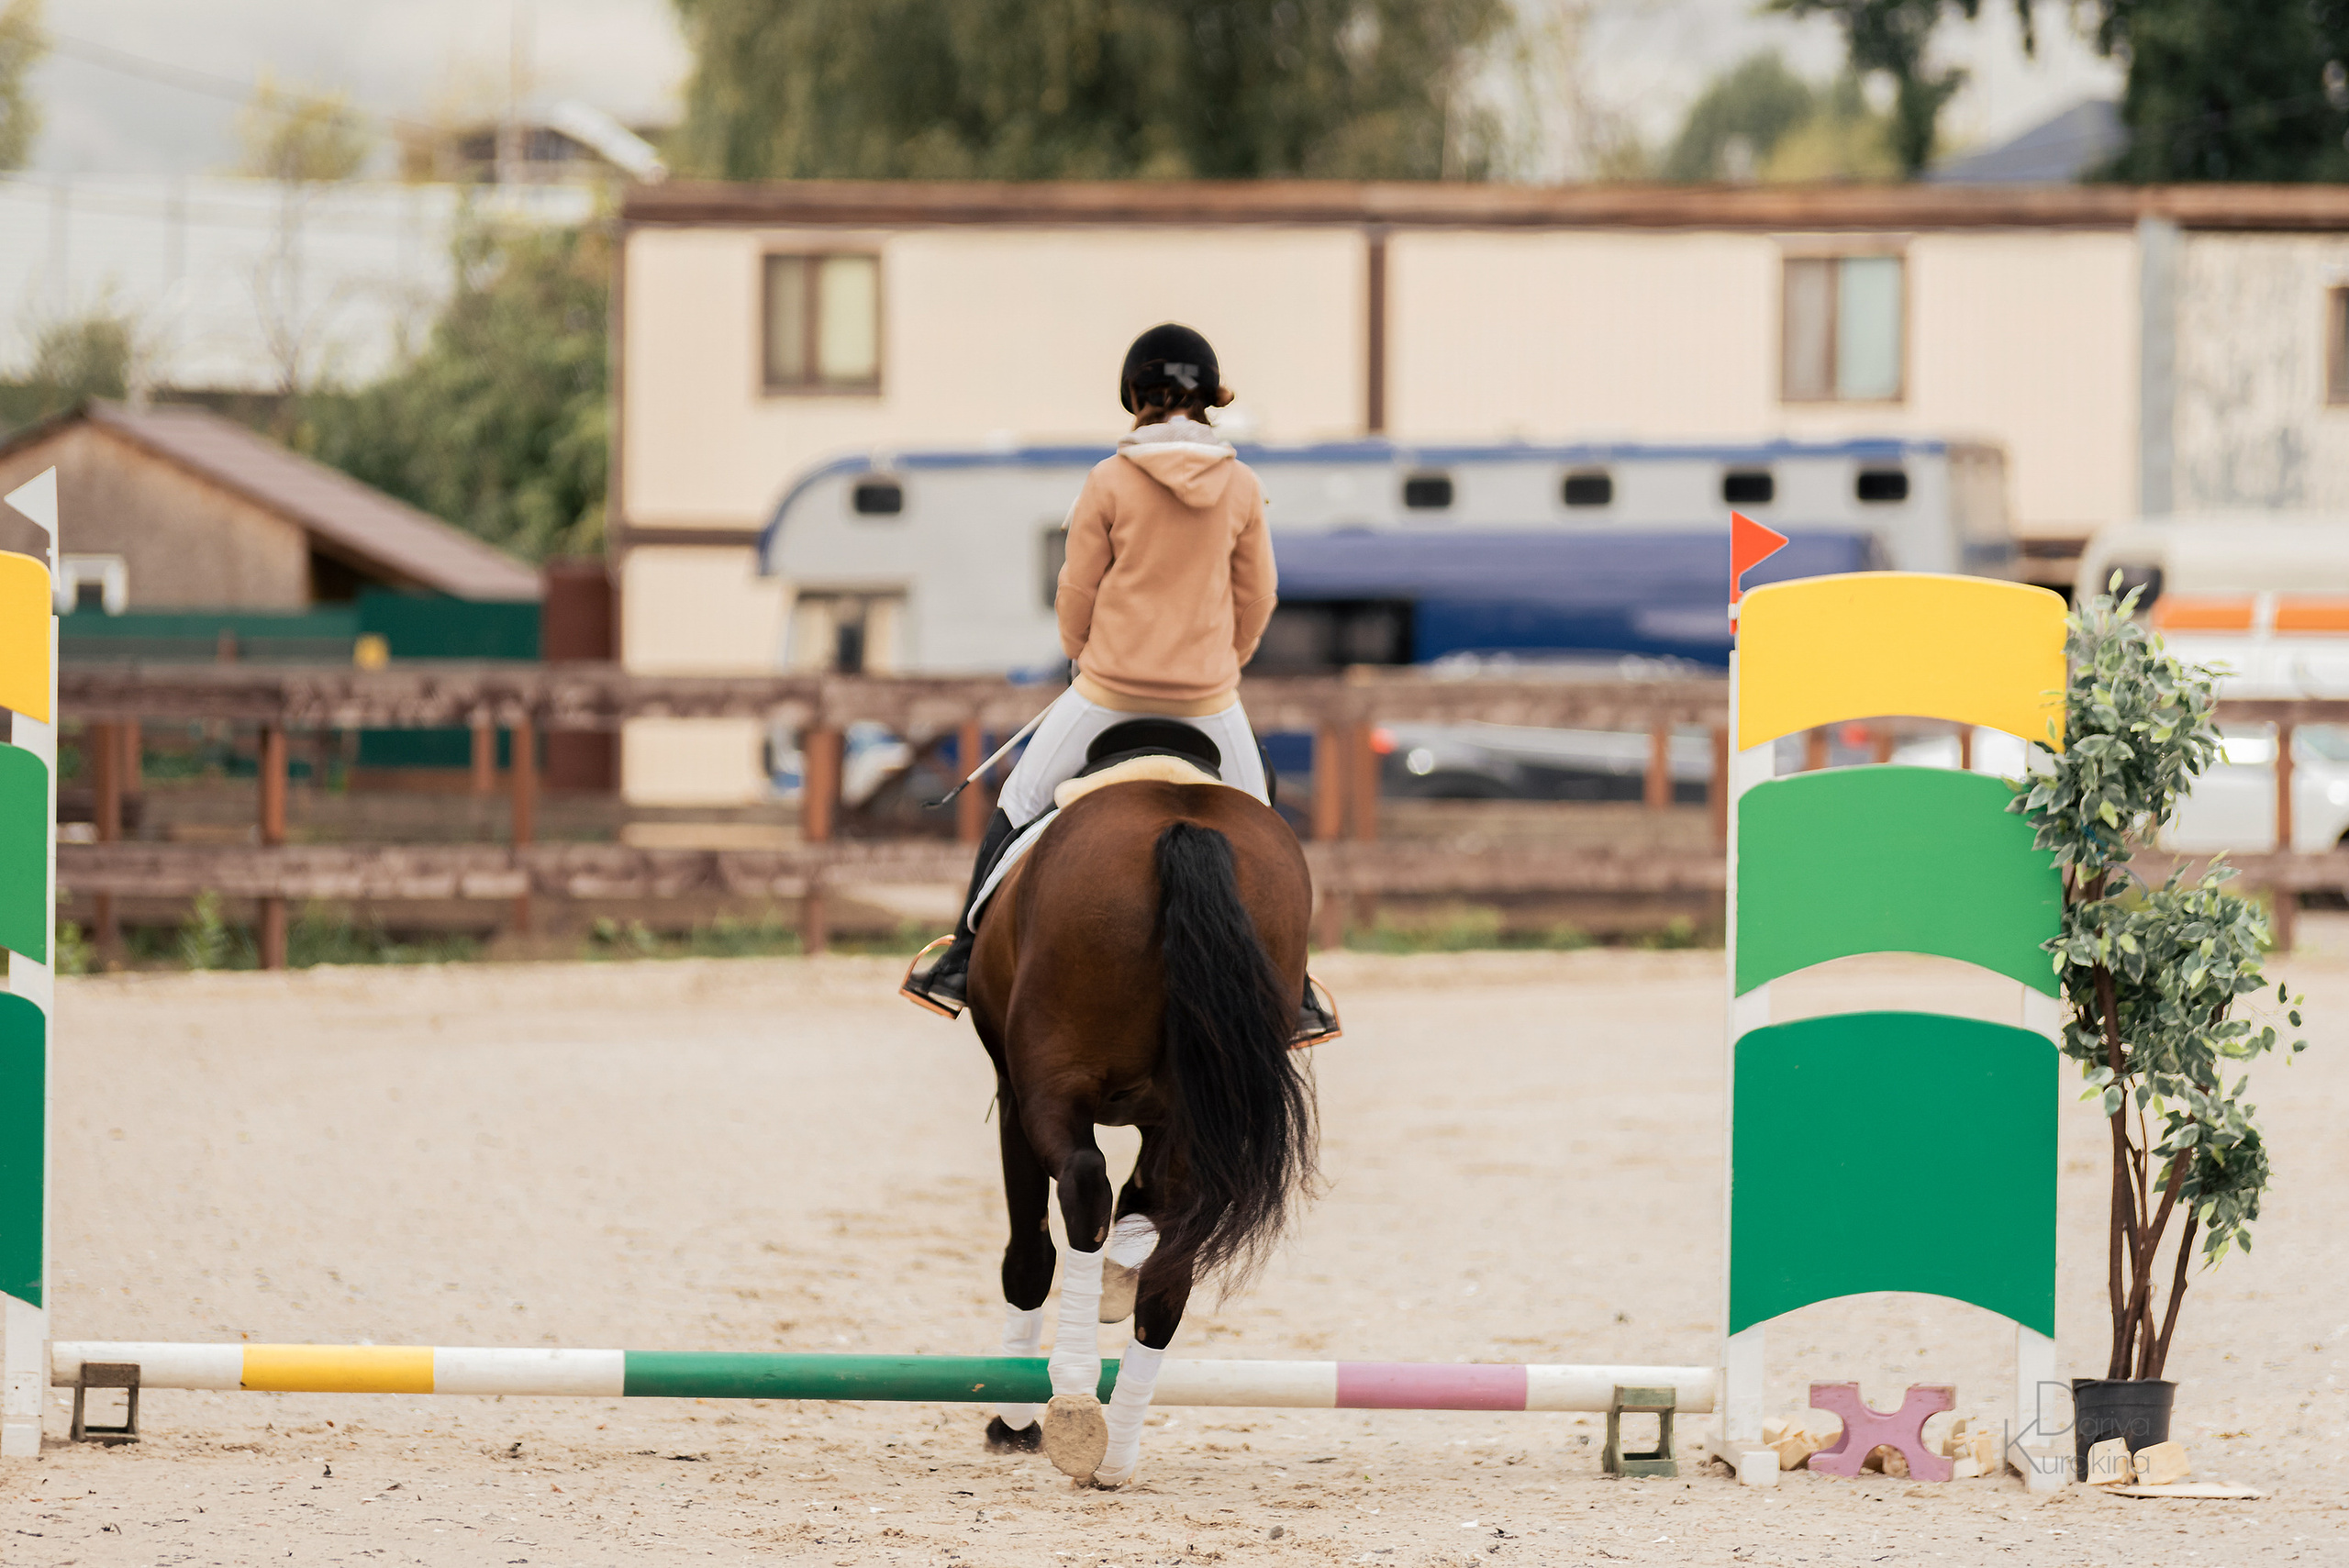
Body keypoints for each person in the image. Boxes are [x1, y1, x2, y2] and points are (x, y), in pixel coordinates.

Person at [902, 322, 1339, 1046]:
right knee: (1265, 833)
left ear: (1135, 396)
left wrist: (1083, 654)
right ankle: (1293, 989)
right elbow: (1259, 595)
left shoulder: (1107, 480)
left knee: (1019, 802)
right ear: (1210, 399)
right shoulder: (1242, 486)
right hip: (1209, 703)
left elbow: (1077, 589)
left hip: (1104, 697)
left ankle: (961, 956)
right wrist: (1223, 660)